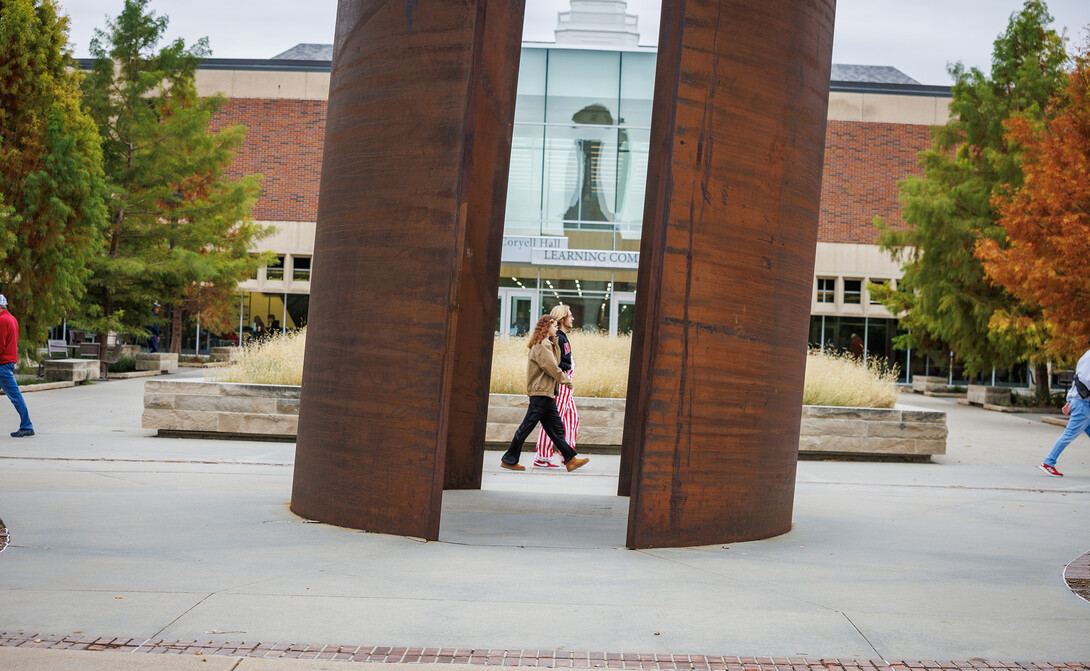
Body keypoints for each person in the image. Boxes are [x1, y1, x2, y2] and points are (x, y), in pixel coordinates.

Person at [501, 315, 589, 473]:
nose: (557, 328)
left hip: (546, 392)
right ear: (546, 327)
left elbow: (554, 361)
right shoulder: (541, 344)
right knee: (527, 427)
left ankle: (570, 459)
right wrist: (566, 381)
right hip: (540, 392)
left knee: (556, 429)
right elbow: (552, 367)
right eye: (554, 326)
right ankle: (509, 459)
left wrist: (554, 341)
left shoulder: (547, 343)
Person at [535, 304, 579, 469]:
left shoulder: (562, 337)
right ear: (562, 319)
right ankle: (542, 458)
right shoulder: (558, 337)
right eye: (570, 316)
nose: (573, 318)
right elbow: (554, 362)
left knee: (572, 419)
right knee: (552, 422)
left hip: (566, 385)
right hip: (561, 384)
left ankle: (567, 456)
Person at [1039, 341, 1090, 477]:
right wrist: (1073, 399)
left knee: (1068, 435)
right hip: (1083, 405)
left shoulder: (1086, 356)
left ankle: (1048, 462)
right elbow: (1085, 380)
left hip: (1082, 404)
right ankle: (1048, 462)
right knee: (1068, 435)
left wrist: (1070, 399)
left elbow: (1077, 380)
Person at [0, 295, 34, 437]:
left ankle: (27, 426)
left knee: (15, 396)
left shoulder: (2, 320)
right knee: (15, 395)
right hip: (8, 362)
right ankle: (27, 426)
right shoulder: (12, 319)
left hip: (2, 364)